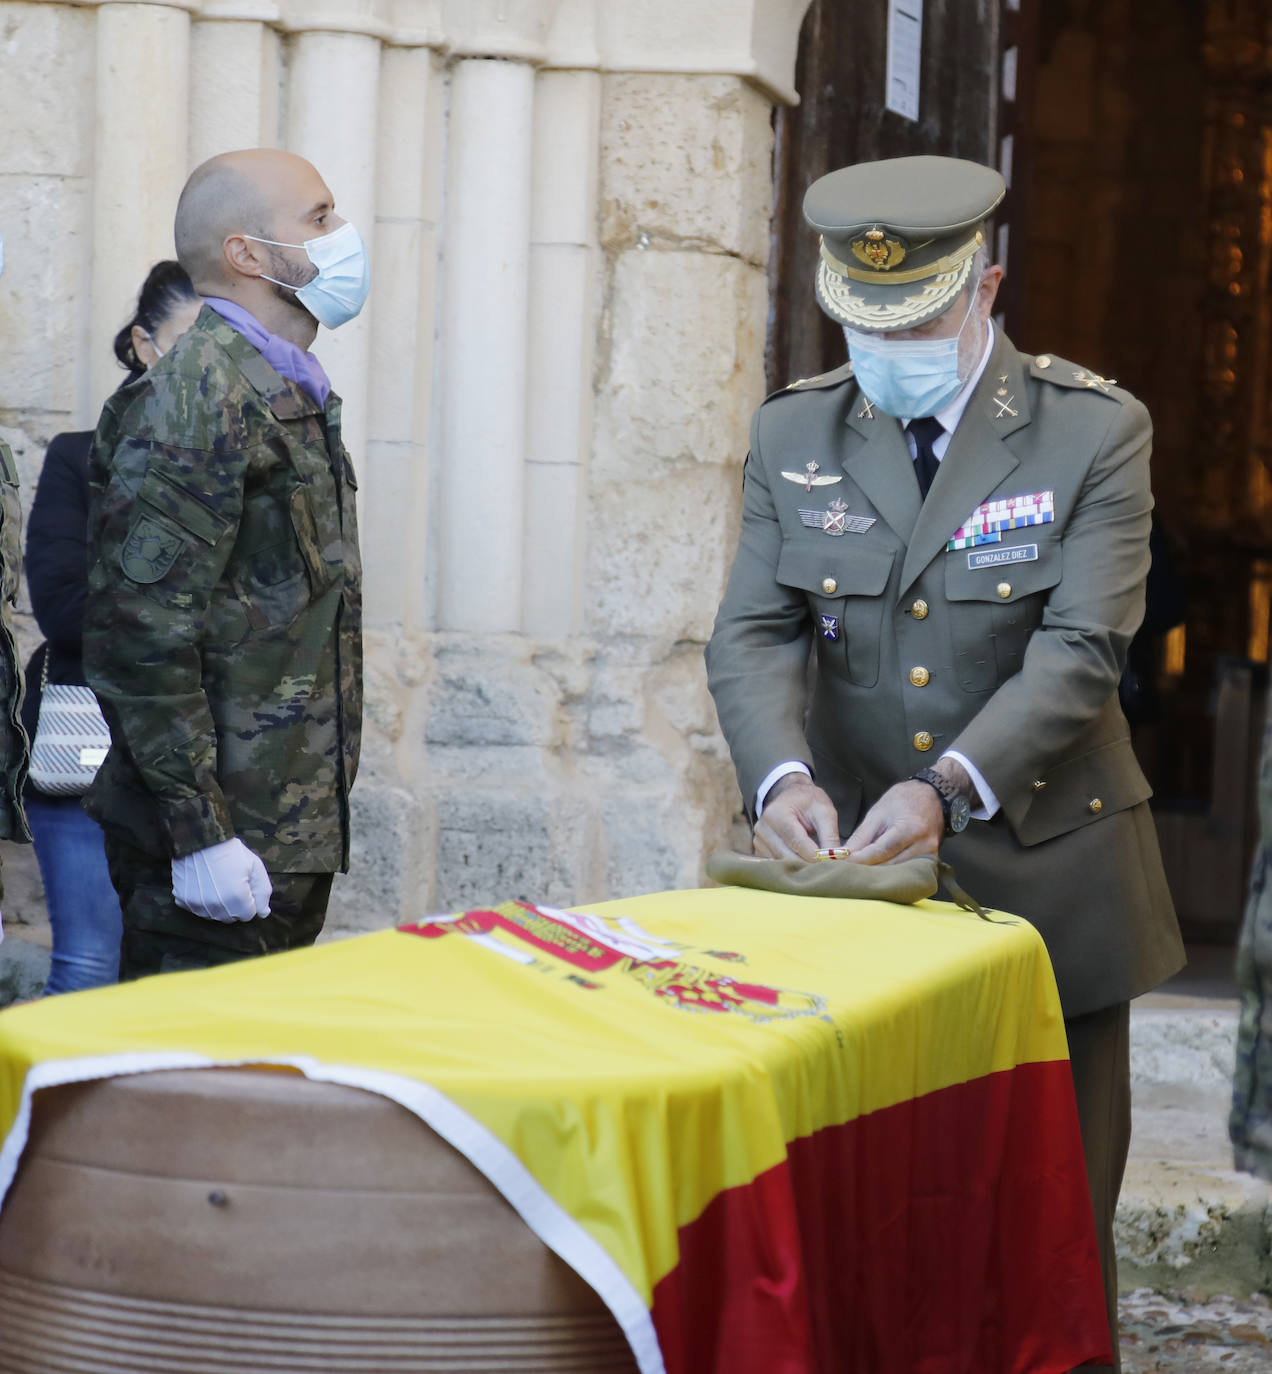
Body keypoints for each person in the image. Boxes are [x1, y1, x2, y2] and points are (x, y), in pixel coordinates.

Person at [705, 155, 1186, 1372]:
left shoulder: (1092, 430)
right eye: (862, 323)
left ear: (986, 289)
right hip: (867, 884)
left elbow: (1083, 652)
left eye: (915, 318)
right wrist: (781, 781)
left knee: (1053, 1226)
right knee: (880, 1207)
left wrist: (946, 786)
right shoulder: (794, 428)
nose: (887, 346)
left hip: (1049, 877)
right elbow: (754, 631)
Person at [84, 148, 366, 980]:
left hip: (279, 832)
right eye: (319, 219)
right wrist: (199, 834)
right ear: (245, 254)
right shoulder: (197, 395)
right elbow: (139, 638)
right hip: (213, 854)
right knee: (183, 1095)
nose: (343, 236)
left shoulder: (281, 386)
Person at [24, 260, 201, 994]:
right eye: (189, 343)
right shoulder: (79, 458)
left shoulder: (239, 463)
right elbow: (62, 609)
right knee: (90, 969)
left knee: (189, 987)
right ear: (143, 343)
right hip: (88, 749)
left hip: (204, 767)